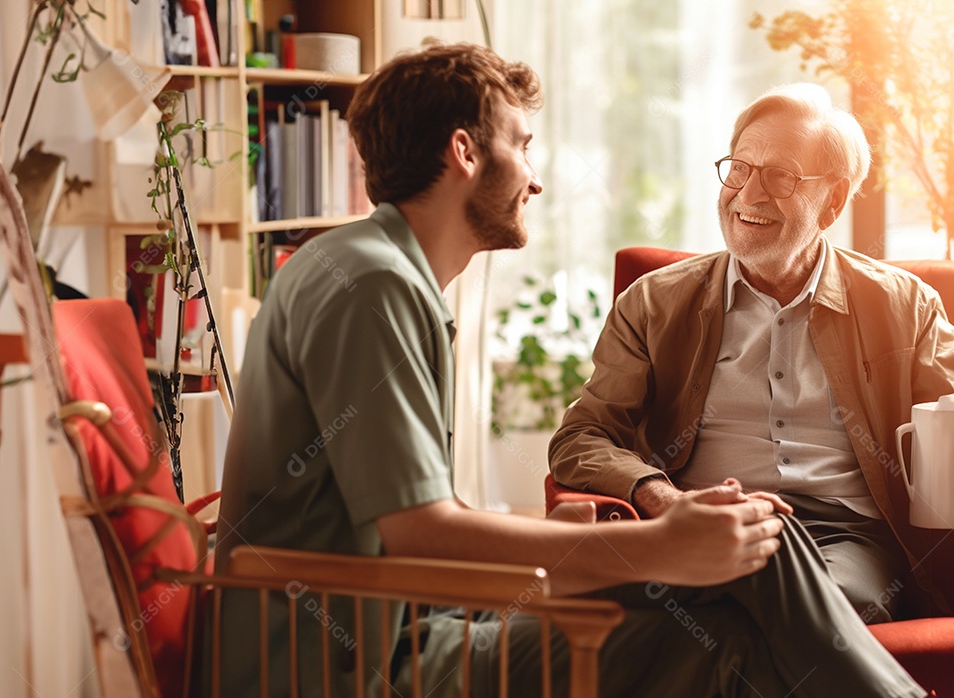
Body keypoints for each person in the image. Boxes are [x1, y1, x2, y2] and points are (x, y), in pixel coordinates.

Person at [215, 48, 924, 697]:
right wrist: (656, 539)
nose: (538, 177)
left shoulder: (375, 270)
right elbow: (423, 534)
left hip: (404, 622)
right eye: (522, 145)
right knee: (748, 570)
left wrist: (643, 546)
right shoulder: (374, 285)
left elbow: (421, 530)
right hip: (357, 660)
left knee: (734, 596)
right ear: (464, 152)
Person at [550, 82, 954, 625]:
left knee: (821, 610)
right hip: (705, 526)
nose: (748, 195)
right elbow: (581, 437)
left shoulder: (905, 305)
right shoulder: (655, 302)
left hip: (842, 537)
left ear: (832, 202)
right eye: (740, 168)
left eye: (781, 177)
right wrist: (658, 496)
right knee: (684, 607)